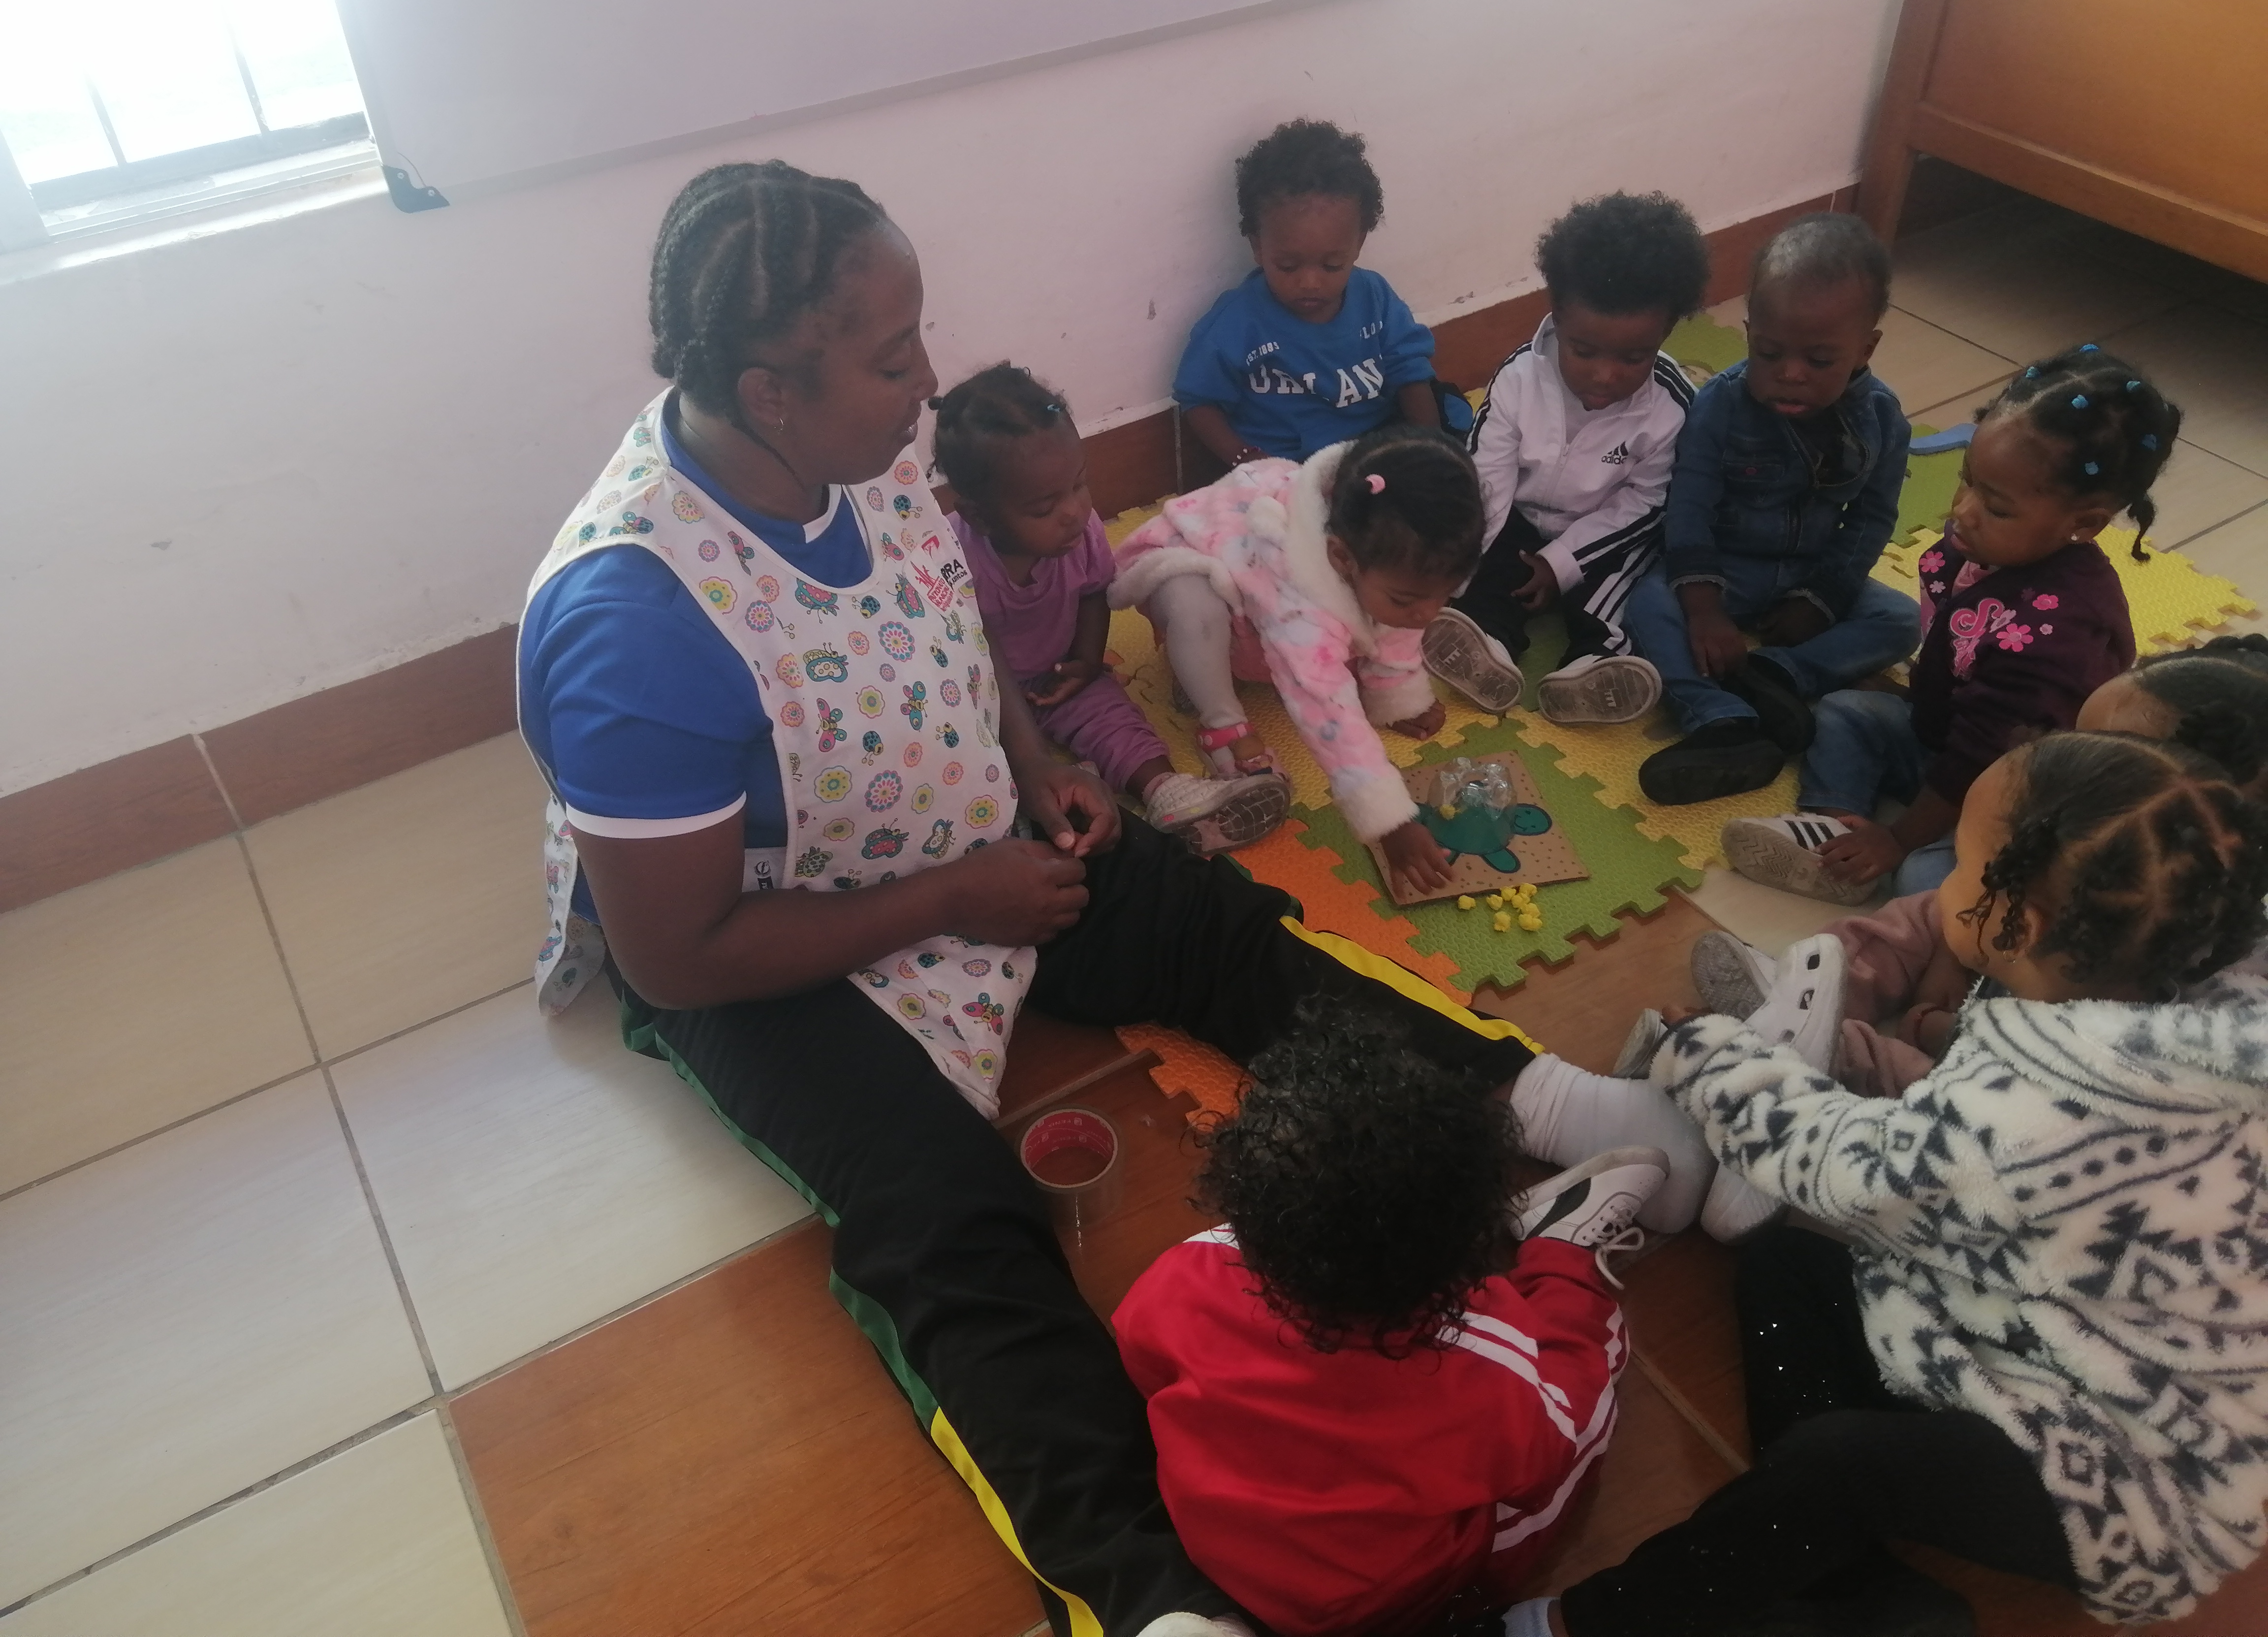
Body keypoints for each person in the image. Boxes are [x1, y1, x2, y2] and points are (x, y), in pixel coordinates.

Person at [516, 158, 1709, 1637]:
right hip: (776, 950)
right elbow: (678, 956)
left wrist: (1036, 761)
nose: (926, 380)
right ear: (769, 393)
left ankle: (1549, 1104)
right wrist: (956, 895)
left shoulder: (870, 454)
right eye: (892, 357)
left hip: (967, 839)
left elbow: (945, 628)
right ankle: (1147, 1602)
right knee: (945, 1218)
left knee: (1221, 931)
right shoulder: (630, 622)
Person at [1508, 730, 2268, 1637]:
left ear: (2021, 921)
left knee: (1844, 1465)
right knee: (1784, 1265)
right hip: (2054, 1330)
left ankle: (1578, 1625)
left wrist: (1707, 1056)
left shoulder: (2036, 1117)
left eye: (1963, 866)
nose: (1938, 883)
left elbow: (1844, 1168)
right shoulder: (2187, 1011)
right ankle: (1867, 1595)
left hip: (2139, 1478)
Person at [1115, 998, 1668, 1637]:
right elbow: (1556, 1442)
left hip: (1216, 1553)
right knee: (1580, 1418)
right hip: (1378, 1607)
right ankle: (1565, 1247)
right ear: (1468, 1256)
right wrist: (1568, 1285)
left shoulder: (1186, 1271)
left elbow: (1141, 1358)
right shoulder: (1478, 1371)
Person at [1689, 631, 2268, 1096]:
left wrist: (1946, 1032)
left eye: (2101, 758)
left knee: (1944, 914)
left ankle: (1815, 1042)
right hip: (2026, 940)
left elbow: (1979, 1104)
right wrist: (1952, 955)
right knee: (1931, 908)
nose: (2061, 754)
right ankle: (1806, 985)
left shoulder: (2145, 1022)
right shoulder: (2100, 866)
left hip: (2016, 1071)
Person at [1719, 346, 2174, 903]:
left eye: (1997, 506)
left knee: (1922, 878)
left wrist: (1900, 839)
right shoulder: (1986, 547)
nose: (1964, 510)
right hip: (1945, 739)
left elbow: (1983, 757)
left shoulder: (2054, 637)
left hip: (2015, 796)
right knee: (1847, 712)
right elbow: (1958, 659)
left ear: (2084, 525)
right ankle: (1832, 833)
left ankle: (1909, 867)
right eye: (1967, 479)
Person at [930, 363, 1289, 856]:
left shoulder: (1081, 533)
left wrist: (1085, 661)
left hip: (1057, 674)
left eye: (1079, 485)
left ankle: (1165, 791)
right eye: (1044, 508)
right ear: (979, 516)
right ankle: (1041, 808)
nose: (1074, 512)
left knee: (1113, 716)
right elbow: (961, 651)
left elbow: (1093, 593)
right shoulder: (951, 559)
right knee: (954, 760)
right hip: (978, 695)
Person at [1625, 213, 1920, 806]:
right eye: (1769, 352)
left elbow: (1871, 520)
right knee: (1648, 602)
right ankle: (1720, 718)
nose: (1790, 374)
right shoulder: (1721, 405)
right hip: (1729, 570)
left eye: (1820, 360)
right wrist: (1705, 610)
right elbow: (1688, 509)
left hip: (1814, 570)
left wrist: (1822, 599)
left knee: (1903, 619)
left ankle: (1781, 674)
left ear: (1865, 349)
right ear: (1749, 332)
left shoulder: (1883, 418)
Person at [1109, 425, 1476, 900]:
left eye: (1444, 595)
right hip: (1197, 568)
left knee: (1379, 617)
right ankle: (1220, 718)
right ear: (1341, 558)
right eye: (1409, 599)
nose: (1428, 614)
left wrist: (1396, 696)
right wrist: (1390, 821)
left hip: (1266, 598)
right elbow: (1323, 704)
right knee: (1195, 608)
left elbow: (1397, 623)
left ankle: (1212, 664)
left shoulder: (1386, 541)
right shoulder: (1302, 599)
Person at [1425, 192, 1709, 724]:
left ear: (1665, 332)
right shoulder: (1519, 378)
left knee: (1622, 583)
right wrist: (1457, 569)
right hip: (1520, 518)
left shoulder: (1672, 406)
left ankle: (1594, 663)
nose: (1605, 375)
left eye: (1633, 357)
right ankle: (1489, 641)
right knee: (1485, 564)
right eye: (1584, 351)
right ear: (1556, 315)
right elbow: (1486, 478)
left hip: (1605, 533)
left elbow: (1647, 504)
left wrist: (1562, 564)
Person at [1173, 119, 1463, 469]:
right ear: (1258, 247)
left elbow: (1411, 373)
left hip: (1375, 447)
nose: (1310, 283)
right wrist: (1247, 460)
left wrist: (1427, 448)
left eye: (1331, 266)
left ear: (1358, 244)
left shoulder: (1375, 298)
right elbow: (1198, 399)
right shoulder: (1236, 322)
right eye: (1288, 266)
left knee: (1453, 420)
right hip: (1287, 466)